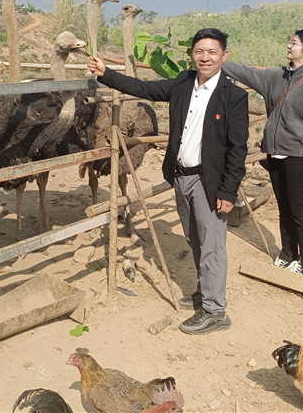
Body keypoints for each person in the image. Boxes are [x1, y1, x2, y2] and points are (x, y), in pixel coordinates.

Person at [88, 28, 249, 335]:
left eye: (212, 52)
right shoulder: (183, 83)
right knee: (195, 239)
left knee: (212, 246)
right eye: (199, 51)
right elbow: (143, 88)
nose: (205, 57)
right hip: (182, 177)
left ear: (223, 56)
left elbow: (237, 148)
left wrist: (228, 191)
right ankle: (205, 292)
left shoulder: (233, 96)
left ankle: (215, 311)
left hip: (209, 181)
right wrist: (106, 74)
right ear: (193, 54)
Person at [222, 29, 303, 277]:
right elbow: (245, 72)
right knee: (284, 208)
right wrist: (217, 59)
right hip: (275, 154)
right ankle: (288, 253)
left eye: (294, 43)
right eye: (290, 41)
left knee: (300, 211)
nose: (289, 45)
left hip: (298, 157)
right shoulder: (275, 76)